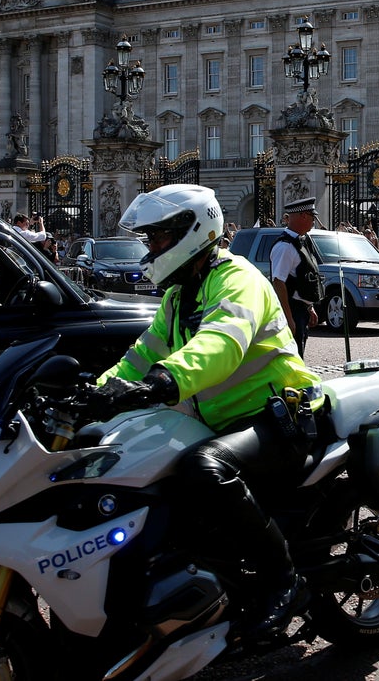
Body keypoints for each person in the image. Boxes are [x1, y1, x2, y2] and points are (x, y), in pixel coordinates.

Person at [92, 184, 322, 635]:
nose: (152, 248)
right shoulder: (180, 296)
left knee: (203, 468)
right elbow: (140, 355)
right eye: (150, 240)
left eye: (158, 239)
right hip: (224, 420)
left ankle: (285, 579)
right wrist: (95, 395)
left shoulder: (238, 279)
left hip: (278, 414)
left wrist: (165, 381)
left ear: (192, 233)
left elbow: (220, 345)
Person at [270, 196, 325, 357]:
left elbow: (302, 278)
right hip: (292, 310)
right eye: (312, 217)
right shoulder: (285, 246)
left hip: (301, 309)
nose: (314, 221)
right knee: (293, 358)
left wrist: (309, 307)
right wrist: (288, 318)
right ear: (302, 216)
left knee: (299, 354)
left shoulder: (301, 241)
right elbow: (278, 282)